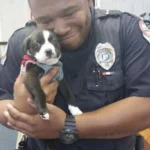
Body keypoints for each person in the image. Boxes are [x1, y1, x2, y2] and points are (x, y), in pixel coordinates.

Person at [0, 0, 150, 150]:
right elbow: (2, 101)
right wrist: (21, 108)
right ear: (33, 14)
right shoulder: (23, 41)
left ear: (89, 1)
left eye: (69, 13)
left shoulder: (125, 30)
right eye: (45, 21)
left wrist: (67, 125)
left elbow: (145, 106)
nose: (60, 29)